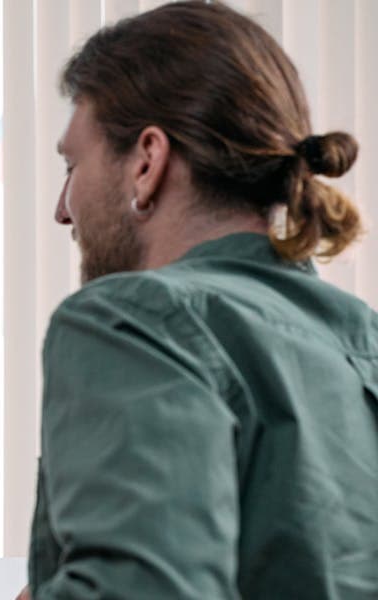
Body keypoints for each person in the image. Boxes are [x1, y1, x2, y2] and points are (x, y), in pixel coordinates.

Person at [28, 2, 378, 598]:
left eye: (72, 164)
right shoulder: (360, 338)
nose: (63, 208)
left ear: (147, 161)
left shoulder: (130, 319)